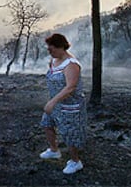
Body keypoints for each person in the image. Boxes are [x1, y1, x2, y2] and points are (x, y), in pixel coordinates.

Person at [39, 33, 87, 174]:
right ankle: (54, 150)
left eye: (51, 49)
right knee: (47, 124)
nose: (49, 52)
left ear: (61, 47)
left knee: (69, 132)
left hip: (70, 105)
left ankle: (75, 161)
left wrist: (52, 102)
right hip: (56, 102)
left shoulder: (71, 64)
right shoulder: (53, 61)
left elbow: (70, 87)